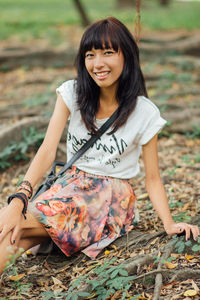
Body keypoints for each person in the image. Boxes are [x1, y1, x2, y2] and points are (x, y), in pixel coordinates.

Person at [0, 17, 199, 274]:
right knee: (14, 235)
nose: (98, 63)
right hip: (67, 188)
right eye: (90, 54)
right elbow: (48, 150)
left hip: (107, 199)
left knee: (12, 224)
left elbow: (153, 179)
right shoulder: (72, 93)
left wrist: (169, 223)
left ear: (126, 56)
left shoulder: (145, 113)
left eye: (108, 52)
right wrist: (20, 199)